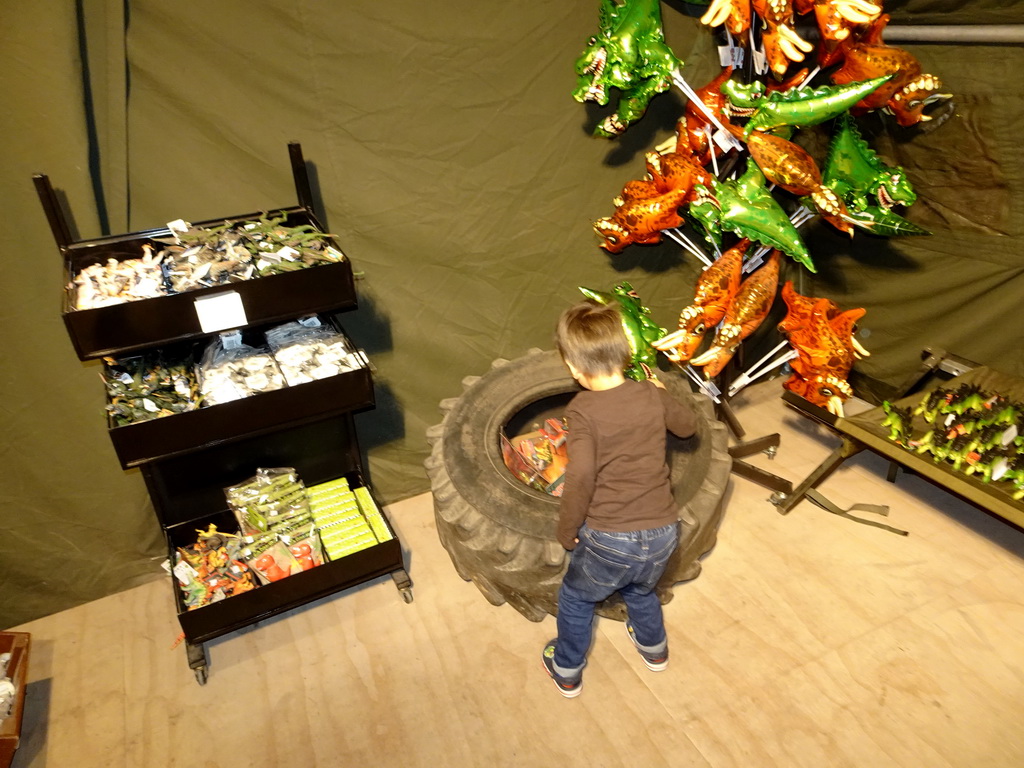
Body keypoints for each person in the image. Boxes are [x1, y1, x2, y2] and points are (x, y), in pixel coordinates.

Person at [541, 299, 698, 698]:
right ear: (625, 352)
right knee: (641, 589)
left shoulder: (583, 411)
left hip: (611, 536)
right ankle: (654, 650)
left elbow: (581, 476)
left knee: (576, 597)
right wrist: (662, 393)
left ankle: (567, 670)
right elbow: (688, 426)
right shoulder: (650, 394)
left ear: (574, 368)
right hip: (664, 530)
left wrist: (566, 529)